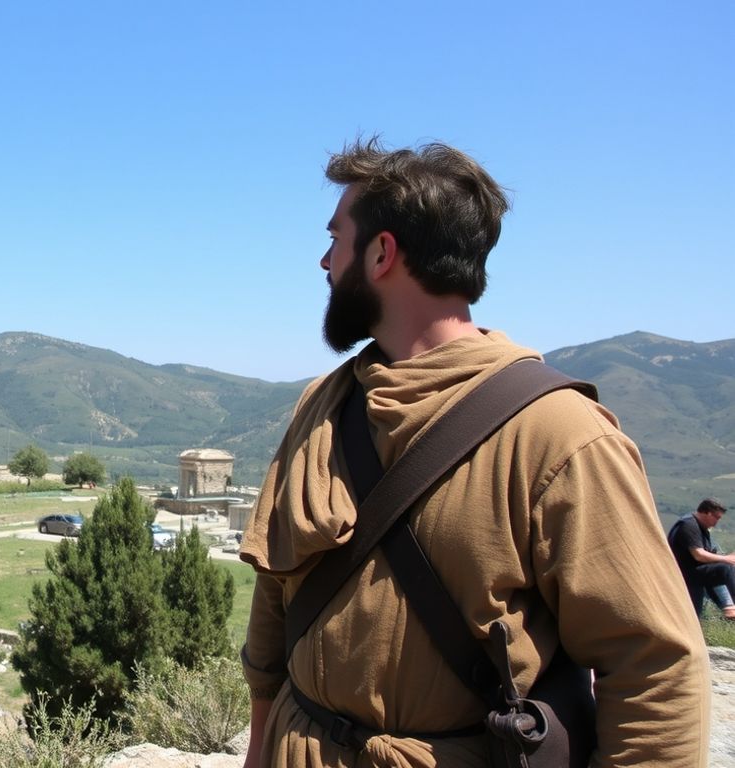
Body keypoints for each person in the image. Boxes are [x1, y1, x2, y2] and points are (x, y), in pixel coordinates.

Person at [238, 138, 707, 768]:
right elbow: (278, 594)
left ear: (381, 253)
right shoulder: (323, 405)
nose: (324, 261)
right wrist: (260, 747)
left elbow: (655, 666)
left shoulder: (557, 433)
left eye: (335, 238)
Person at [668, 497, 735, 620]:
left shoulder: (700, 528)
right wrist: (726, 559)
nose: (717, 522)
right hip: (684, 574)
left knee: (693, 617)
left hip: (693, 575)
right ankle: (730, 607)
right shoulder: (689, 525)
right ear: (707, 513)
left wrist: (726, 558)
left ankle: (729, 607)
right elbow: (698, 555)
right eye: (717, 517)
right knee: (725, 569)